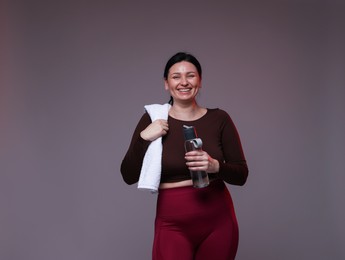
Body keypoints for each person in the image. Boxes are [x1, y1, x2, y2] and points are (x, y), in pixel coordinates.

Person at [120, 52, 248, 260]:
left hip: (218, 221)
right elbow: (128, 175)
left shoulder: (220, 119)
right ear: (166, 83)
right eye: (176, 76)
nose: (184, 82)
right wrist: (145, 137)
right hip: (172, 224)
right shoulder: (153, 119)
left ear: (200, 81)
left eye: (190, 75)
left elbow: (242, 175)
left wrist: (216, 166)